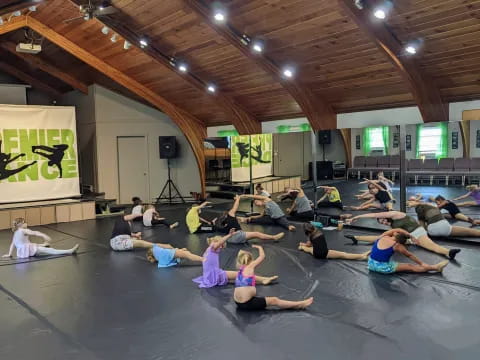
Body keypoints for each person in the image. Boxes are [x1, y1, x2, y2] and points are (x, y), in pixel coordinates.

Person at [345, 211, 461, 259]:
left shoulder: (395, 214)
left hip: (417, 232)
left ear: (386, 216)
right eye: (382, 223)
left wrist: (357, 216)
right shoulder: (392, 224)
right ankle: (356, 238)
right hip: (408, 236)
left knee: (430, 245)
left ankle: (448, 252)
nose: (384, 223)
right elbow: (397, 234)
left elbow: (375, 214)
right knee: (382, 238)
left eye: (384, 220)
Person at [234, 244, 314, 310]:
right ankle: (299, 304)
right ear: (251, 261)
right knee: (274, 300)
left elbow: (240, 256)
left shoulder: (240, 268)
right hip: (246, 304)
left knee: (250, 282)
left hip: (237, 302)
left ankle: (264, 280)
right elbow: (262, 256)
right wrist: (260, 247)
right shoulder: (250, 267)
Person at [193, 230, 278, 288]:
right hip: (214, 275)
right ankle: (263, 280)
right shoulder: (213, 247)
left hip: (210, 274)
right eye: (221, 246)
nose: (221, 248)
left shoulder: (208, 250)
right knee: (241, 274)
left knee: (236, 275)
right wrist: (229, 235)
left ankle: (263, 279)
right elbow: (219, 242)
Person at [367, 229, 449, 274]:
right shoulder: (397, 245)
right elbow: (409, 255)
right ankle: (435, 268)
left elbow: (396, 230)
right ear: (401, 242)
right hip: (381, 267)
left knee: (393, 261)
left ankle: (435, 268)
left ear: (395, 234)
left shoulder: (383, 236)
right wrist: (421, 263)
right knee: (410, 266)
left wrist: (409, 236)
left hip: (370, 264)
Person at [215, 195, 285, 243]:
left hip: (229, 239)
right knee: (257, 234)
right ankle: (274, 237)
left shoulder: (224, 220)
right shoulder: (230, 215)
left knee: (252, 233)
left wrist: (213, 223)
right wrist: (238, 199)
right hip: (237, 236)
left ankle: (273, 237)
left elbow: (220, 229)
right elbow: (235, 207)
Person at [2, 218, 79, 259]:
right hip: (28, 249)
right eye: (24, 222)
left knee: (37, 245)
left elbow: (13, 244)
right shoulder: (24, 230)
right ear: (20, 224)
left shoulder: (16, 232)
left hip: (22, 251)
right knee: (50, 250)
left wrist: (9, 254)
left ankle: (44, 244)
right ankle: (70, 251)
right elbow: (35, 233)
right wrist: (44, 235)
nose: (26, 223)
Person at [408, 200, 480, 238]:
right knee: (471, 232)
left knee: (423, 225)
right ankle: (473, 223)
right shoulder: (433, 206)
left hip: (432, 232)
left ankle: (473, 221)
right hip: (445, 227)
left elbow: (422, 227)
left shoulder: (420, 211)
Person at [298, 223, 369, 260]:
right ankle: (362, 255)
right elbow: (311, 244)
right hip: (323, 253)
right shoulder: (318, 231)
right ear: (312, 227)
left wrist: (304, 244)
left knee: (308, 249)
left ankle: (301, 247)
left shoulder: (310, 236)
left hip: (319, 254)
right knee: (344, 254)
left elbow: (309, 245)